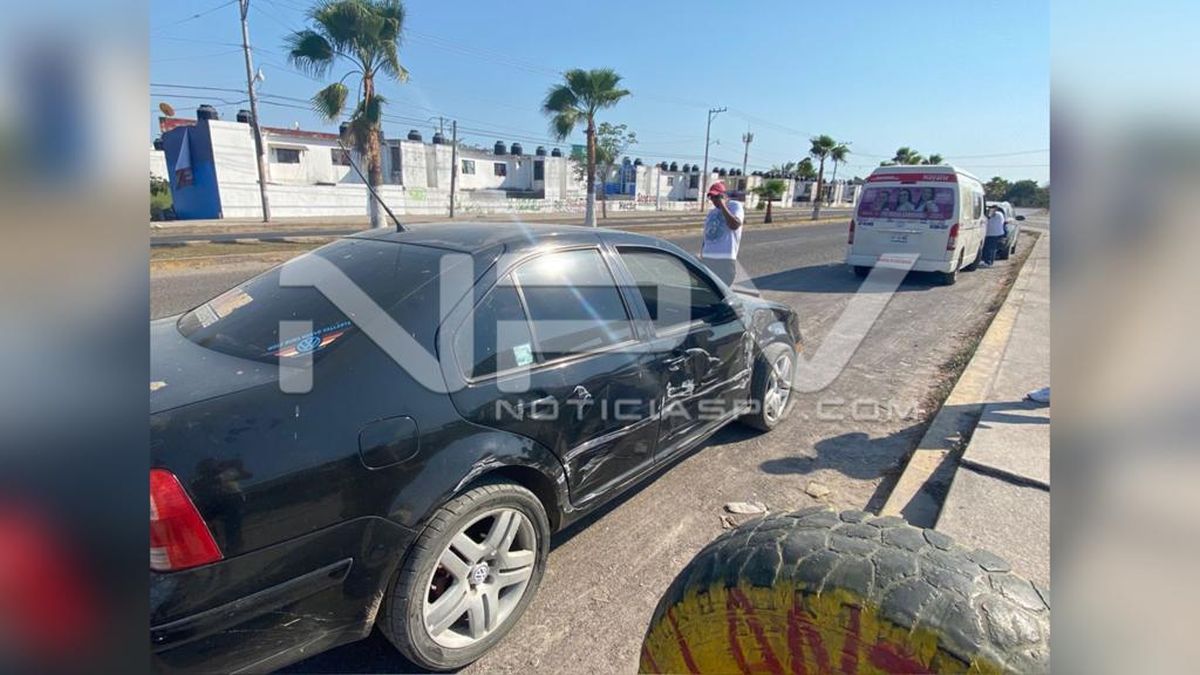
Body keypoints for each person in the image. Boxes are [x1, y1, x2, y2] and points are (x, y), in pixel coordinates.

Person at [700, 180, 745, 286]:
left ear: (724, 195)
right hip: (707, 259)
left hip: (724, 260)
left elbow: (734, 225)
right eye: (712, 197)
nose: (714, 200)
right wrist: (702, 254)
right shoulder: (711, 212)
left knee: (721, 291)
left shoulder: (734, 206)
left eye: (716, 197)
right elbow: (706, 236)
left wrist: (722, 204)